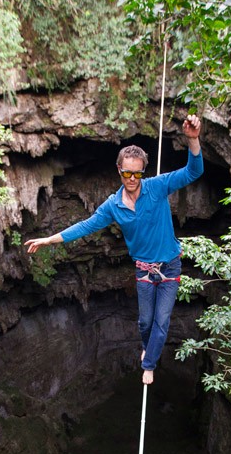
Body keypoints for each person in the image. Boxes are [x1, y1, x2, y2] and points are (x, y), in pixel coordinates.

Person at [25, 116, 204, 385]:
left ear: (143, 171)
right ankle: (149, 348)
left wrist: (192, 139)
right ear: (119, 170)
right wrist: (49, 240)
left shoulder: (156, 187)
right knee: (145, 323)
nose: (132, 178)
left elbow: (193, 172)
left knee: (162, 320)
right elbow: (86, 226)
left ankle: (149, 363)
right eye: (127, 172)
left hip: (170, 266)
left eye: (137, 173)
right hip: (144, 269)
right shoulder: (113, 206)